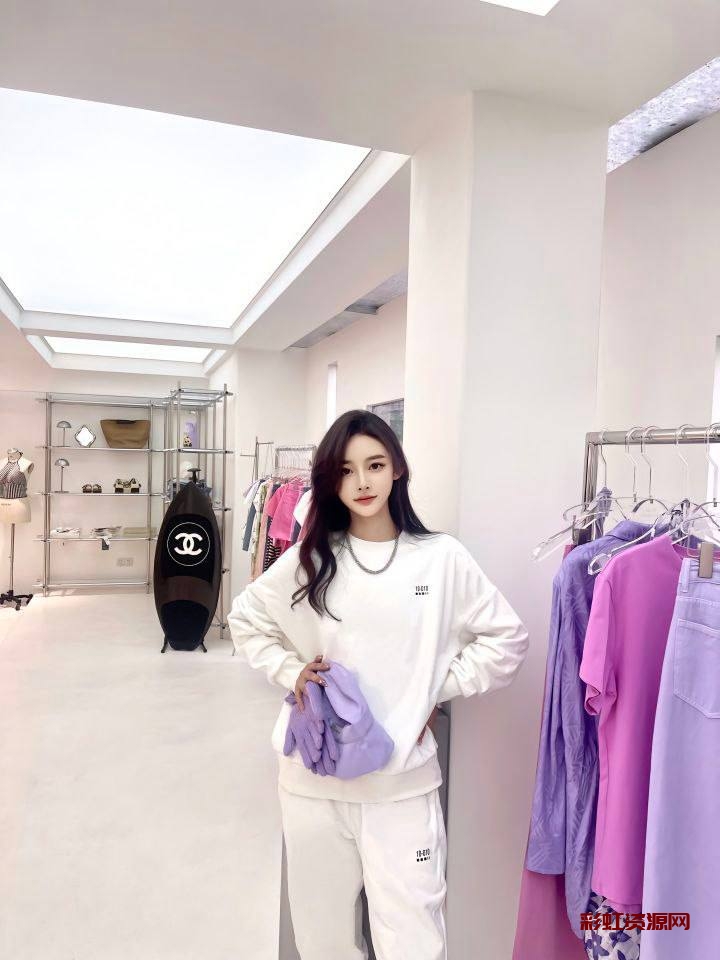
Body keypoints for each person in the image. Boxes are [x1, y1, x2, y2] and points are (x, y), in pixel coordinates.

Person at [228, 410, 529, 960]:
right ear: (330, 480)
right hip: (312, 783)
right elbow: (246, 618)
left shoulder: (440, 558)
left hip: (401, 788)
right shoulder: (312, 558)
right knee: (323, 941)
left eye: (374, 465)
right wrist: (291, 672)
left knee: (413, 938)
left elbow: (506, 640)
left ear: (397, 469)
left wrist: (434, 688)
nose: (362, 482)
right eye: (346, 471)